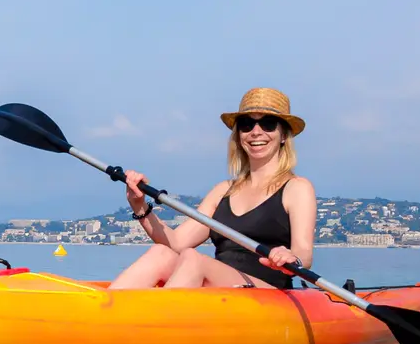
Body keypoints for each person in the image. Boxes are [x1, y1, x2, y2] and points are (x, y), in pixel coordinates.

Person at [109, 88, 314, 290]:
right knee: (160, 254)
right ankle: (101, 313)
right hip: (222, 291)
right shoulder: (223, 190)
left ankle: (158, 318)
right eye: (246, 124)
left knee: (193, 259)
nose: (256, 132)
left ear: (284, 134)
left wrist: (290, 257)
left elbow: (303, 255)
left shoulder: (297, 188)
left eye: (268, 124)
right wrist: (139, 206)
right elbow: (177, 243)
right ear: (239, 134)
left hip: (267, 294)